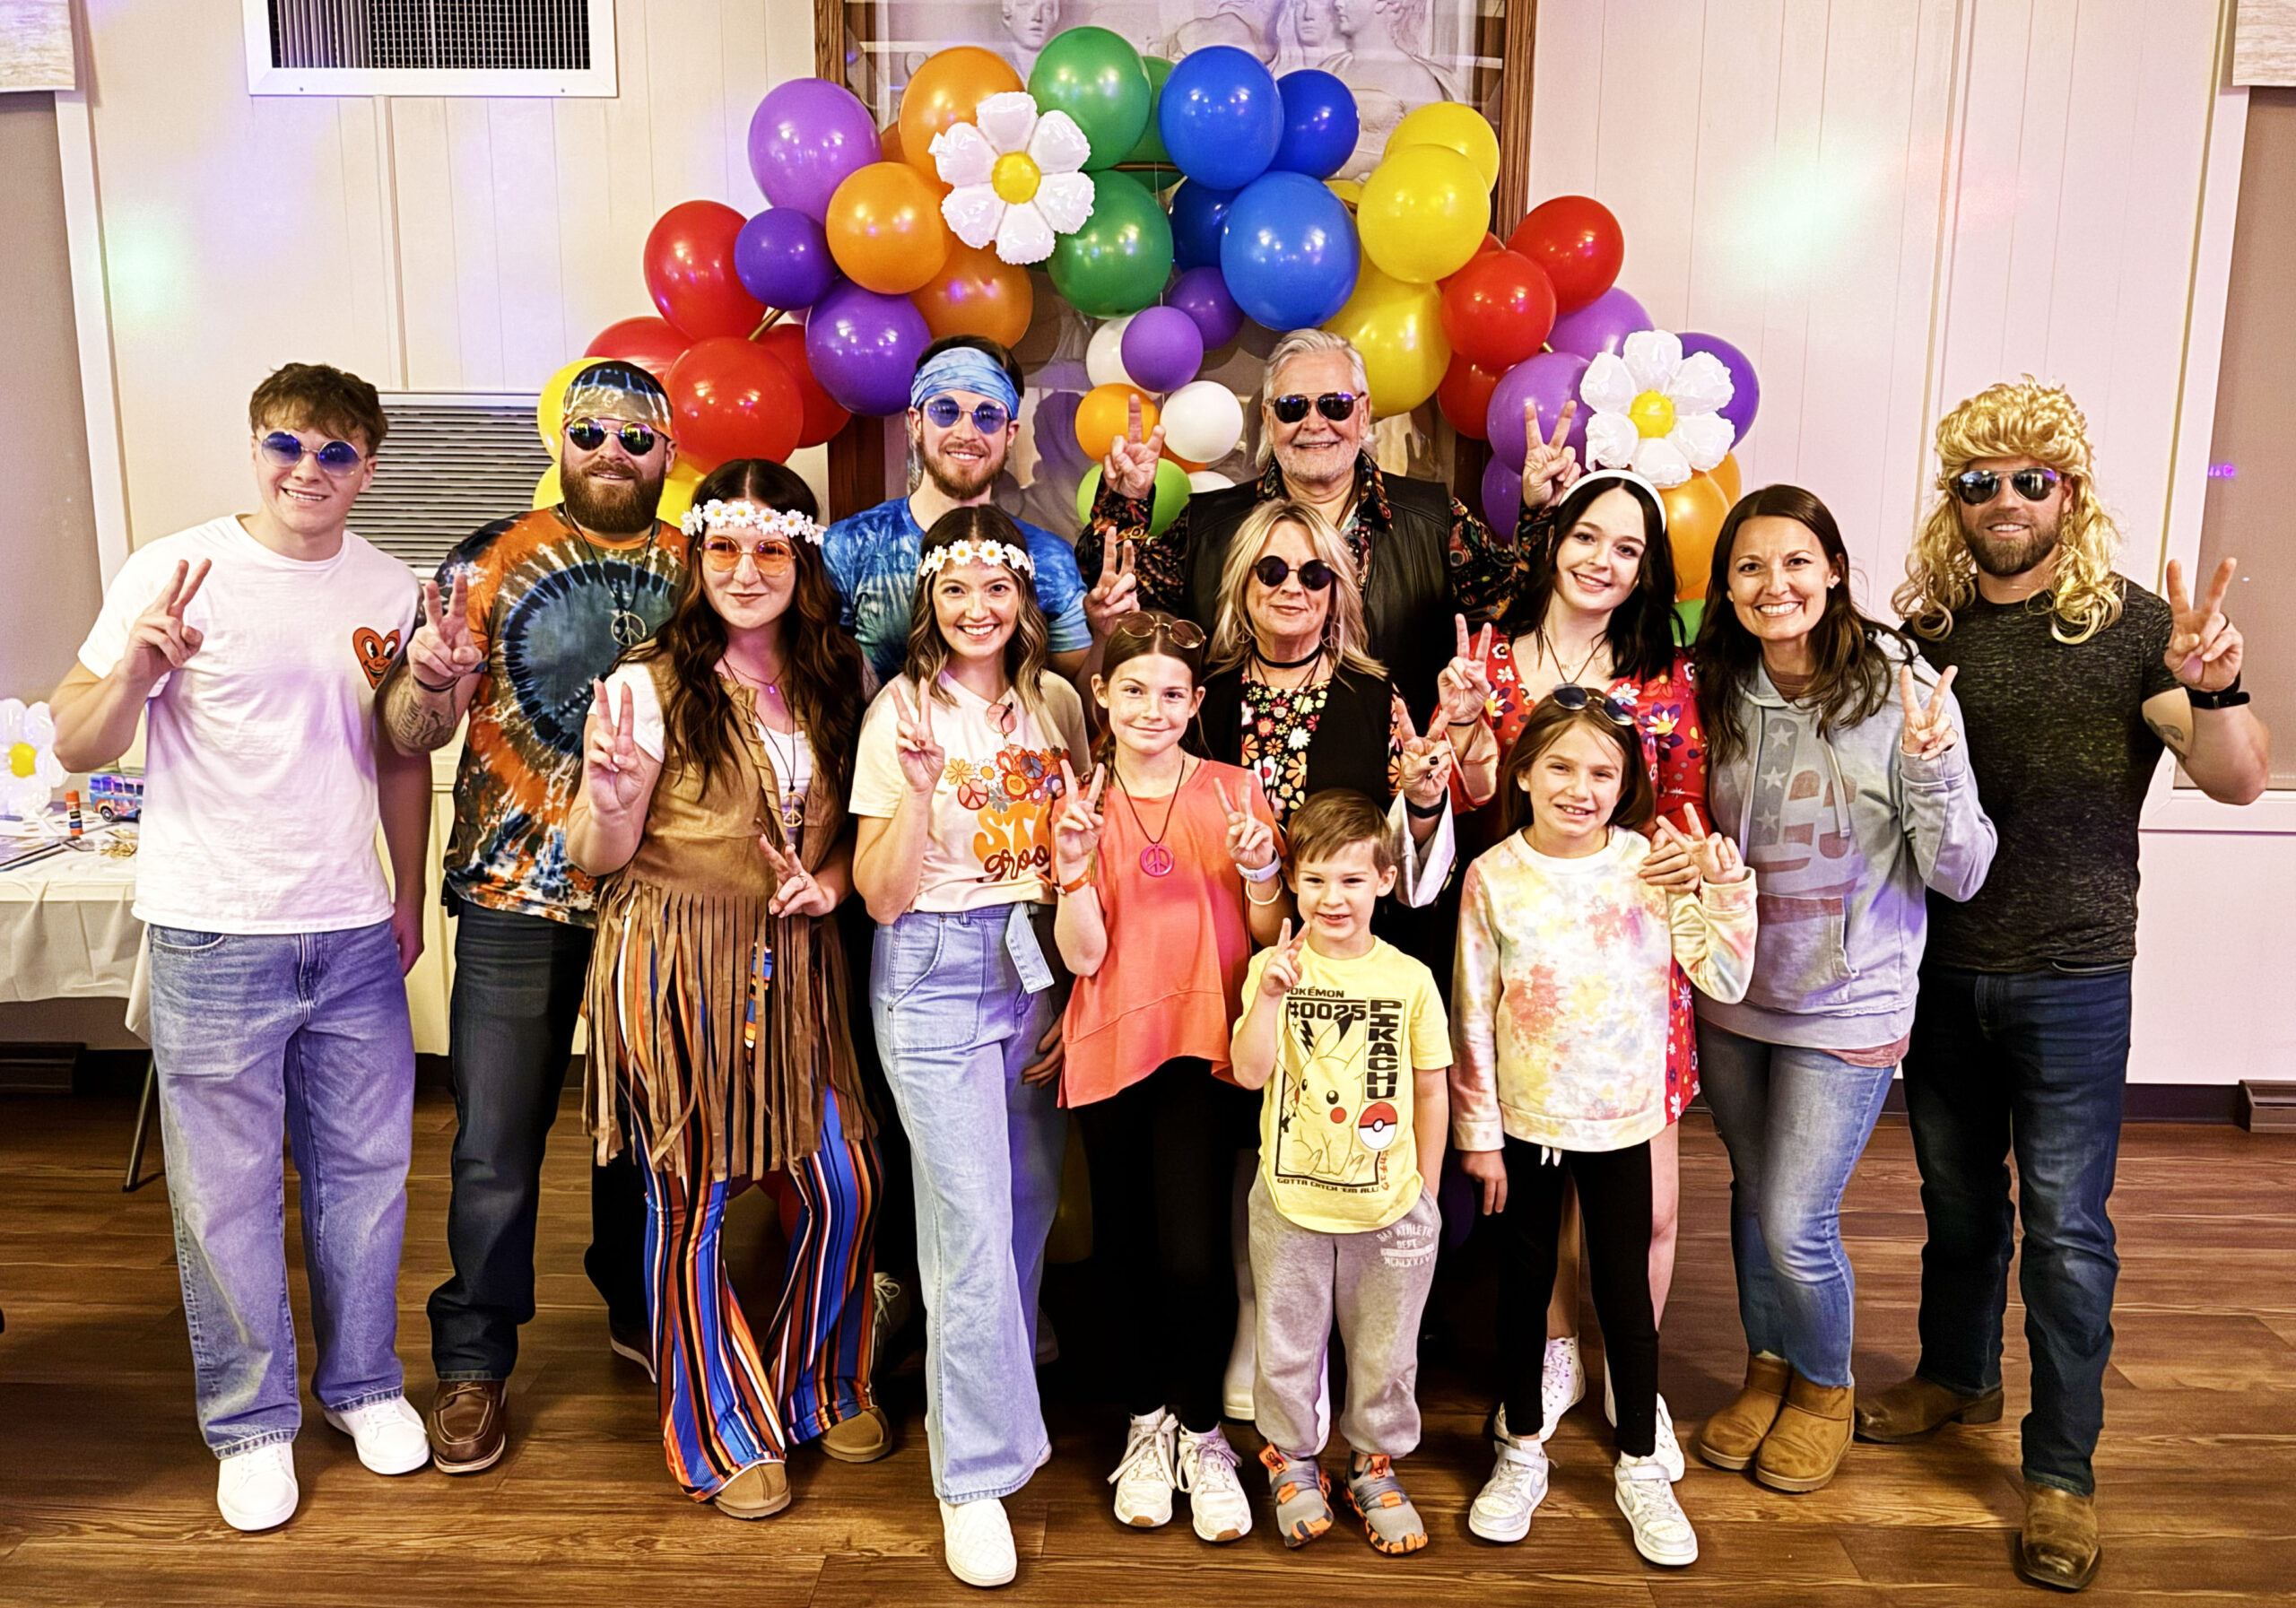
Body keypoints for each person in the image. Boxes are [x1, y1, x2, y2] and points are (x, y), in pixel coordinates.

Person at [1862, 380, 2269, 1592]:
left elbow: (2239, 779)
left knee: (2069, 1233)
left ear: (2069, 493)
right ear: (1954, 501)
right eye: (1977, 481)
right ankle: (1957, 1377)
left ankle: (2060, 1472)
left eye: (2029, 478)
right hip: (1941, 970)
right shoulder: (1927, 631)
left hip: (2075, 976)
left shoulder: (2135, 629)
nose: (2004, 500)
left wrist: (2215, 685)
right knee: (1955, 1205)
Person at [49, 363, 432, 1529]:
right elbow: (77, 740)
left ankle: (361, 1386)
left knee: (366, 1178)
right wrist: (136, 671)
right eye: (286, 446)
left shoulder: (390, 585)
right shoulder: (173, 569)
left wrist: (408, 892)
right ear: (256, 447)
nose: (307, 470)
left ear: (367, 469)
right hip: (213, 932)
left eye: (335, 453)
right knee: (224, 1197)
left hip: (352, 931)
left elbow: (401, 753)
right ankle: (252, 1421)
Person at [563, 461, 888, 1520]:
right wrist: (613, 798)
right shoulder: (645, 683)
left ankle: (813, 1381)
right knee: (690, 1200)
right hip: (672, 960)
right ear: (698, 559)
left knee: (845, 1183)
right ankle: (717, 1425)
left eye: (770, 549)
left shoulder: (840, 675)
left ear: (802, 560)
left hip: (795, 966)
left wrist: (828, 882)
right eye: (725, 549)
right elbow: (593, 854)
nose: (746, 570)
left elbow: (864, 836)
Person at [377, 360, 679, 1474]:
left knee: (645, 1130)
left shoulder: (698, 567)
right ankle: (473, 1358)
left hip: (654, 899)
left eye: (636, 437)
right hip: (513, 894)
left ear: (669, 452)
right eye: (590, 431)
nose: (611, 452)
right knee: (496, 1143)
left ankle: (638, 1304)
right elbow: (409, 732)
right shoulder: (488, 557)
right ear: (563, 442)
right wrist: (429, 680)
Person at [1688, 485, 1995, 1494]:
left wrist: (1932, 764)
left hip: (1849, 999)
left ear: (1832, 570)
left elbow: (1961, 872)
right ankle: (1768, 1367)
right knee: (1751, 1198)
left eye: (1794, 561)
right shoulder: (1718, 686)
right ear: (1726, 587)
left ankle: (1824, 1386)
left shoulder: (1903, 691)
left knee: (1794, 1218)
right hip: (1737, 994)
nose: (1772, 584)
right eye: (1749, 566)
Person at [1449, 691, 1757, 1567]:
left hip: (1622, 1119)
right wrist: (1478, 1132)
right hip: (1524, 1123)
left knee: (1625, 1295)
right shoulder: (1493, 877)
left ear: (1625, 786)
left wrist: (1723, 887)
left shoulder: (1649, 865)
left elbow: (1723, 976)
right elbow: (1473, 1012)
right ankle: (1520, 1448)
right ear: (1523, 772)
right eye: (1560, 766)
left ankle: (1639, 1464)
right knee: (1523, 1288)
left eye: (1601, 772)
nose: (1578, 788)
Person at [849, 505, 1092, 1590]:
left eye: (996, 587)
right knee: (969, 1229)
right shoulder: (899, 709)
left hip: (1033, 959)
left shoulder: (1054, 705)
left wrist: (1072, 987)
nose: (977, 608)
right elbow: (880, 893)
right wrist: (916, 790)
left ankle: (996, 1389)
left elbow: (1075, 850)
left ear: (1023, 599)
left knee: (1028, 1202)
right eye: (955, 588)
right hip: (932, 968)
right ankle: (974, 1475)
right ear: (929, 600)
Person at [1464, 464, 1708, 1471]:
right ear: (1553, 539)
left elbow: (1685, 799)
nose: (1603, 560)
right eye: (1587, 536)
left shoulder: (1663, 670)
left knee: (1647, 1203)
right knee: (1541, 1202)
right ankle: (1555, 1353)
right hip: (1523, 944)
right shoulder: (1489, 655)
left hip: (1629, 955)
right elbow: (1469, 797)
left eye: (1629, 548)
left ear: (1646, 570)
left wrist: (1692, 866)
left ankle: (1630, 1373)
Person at [1047, 611, 1287, 1545]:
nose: (1153, 709)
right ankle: (1146, 1421)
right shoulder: (1080, 802)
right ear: (1102, 694)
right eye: (1135, 690)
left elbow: (1266, 936)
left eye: (1173, 694)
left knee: (1192, 1252)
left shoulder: (1234, 791)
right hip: (1112, 1042)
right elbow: (1083, 956)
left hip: (1203, 1043)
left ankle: (1202, 1430)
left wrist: (1262, 871)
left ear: (1195, 704)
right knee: (1124, 1246)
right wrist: (1073, 870)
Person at [1078, 327, 1549, 715]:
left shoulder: (1435, 519)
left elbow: (1521, 604)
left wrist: (1540, 509)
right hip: (1239, 776)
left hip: (1393, 779)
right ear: (1269, 419)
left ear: (1363, 413)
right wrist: (1127, 499)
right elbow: (1119, 593)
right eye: (1293, 407)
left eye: (1334, 405)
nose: (1315, 423)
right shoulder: (1210, 523)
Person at [1231, 789, 1452, 1557]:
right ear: (1293, 879)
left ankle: (1372, 1463)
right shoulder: (1271, 968)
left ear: (1385, 880)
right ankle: (1292, 1461)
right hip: (1290, 1202)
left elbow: (1431, 1087)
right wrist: (1269, 996)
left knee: (1386, 1351)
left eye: (1353, 879)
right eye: (1317, 878)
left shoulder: (1411, 978)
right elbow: (1247, 1070)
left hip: (1390, 1209)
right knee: (1287, 1344)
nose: (1334, 897)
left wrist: (1425, 1194)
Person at [825, 335, 1128, 685]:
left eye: (987, 416)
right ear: (916, 423)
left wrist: (1104, 635)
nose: (966, 433)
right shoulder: (850, 546)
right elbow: (821, 682)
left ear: (1010, 434)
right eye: (945, 411)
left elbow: (1078, 701)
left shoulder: (1048, 558)